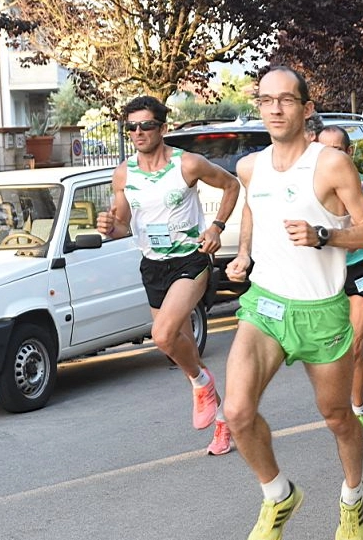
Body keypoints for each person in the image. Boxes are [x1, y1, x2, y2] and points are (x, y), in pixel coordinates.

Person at [222, 67, 363, 540]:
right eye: (267, 100)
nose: (275, 108)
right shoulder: (250, 167)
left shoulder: (330, 163)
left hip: (322, 310)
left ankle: (352, 500)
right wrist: (245, 252)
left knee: (337, 416)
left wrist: (325, 236)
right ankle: (278, 494)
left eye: (286, 100)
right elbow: (254, 206)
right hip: (267, 305)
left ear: (306, 108)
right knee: (236, 411)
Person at [97, 95, 241, 456]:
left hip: (190, 260)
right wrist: (109, 226)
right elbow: (123, 226)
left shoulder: (187, 164)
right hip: (153, 264)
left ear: (162, 127)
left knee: (162, 337)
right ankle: (222, 418)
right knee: (180, 345)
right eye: (131, 126)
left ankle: (200, 382)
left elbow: (231, 185)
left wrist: (217, 227)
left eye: (146, 125)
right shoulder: (123, 173)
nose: (138, 132)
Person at [318, 125, 363, 440]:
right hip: (324, 275)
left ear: (349, 152)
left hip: (356, 269)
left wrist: (330, 238)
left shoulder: (358, 187)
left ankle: (358, 411)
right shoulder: (310, 186)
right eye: (324, 148)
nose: (330, 155)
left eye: (337, 149)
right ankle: (337, 407)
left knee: (354, 347)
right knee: (330, 349)